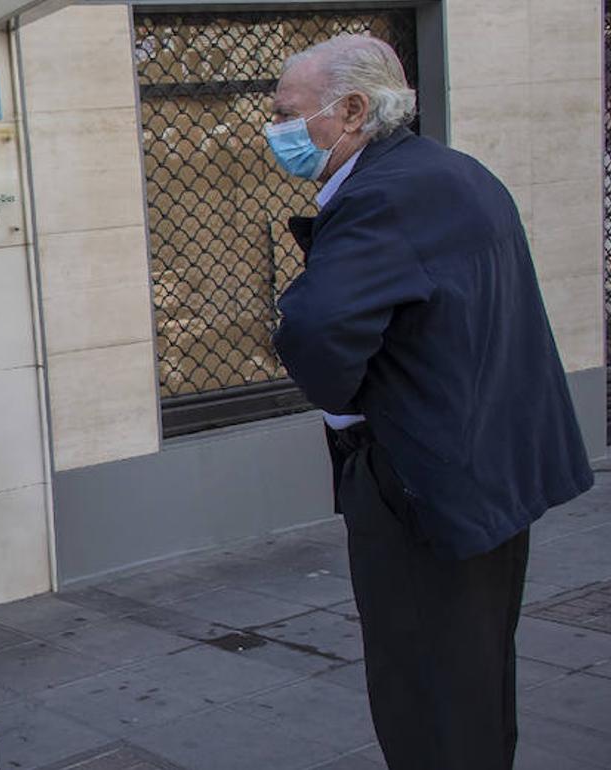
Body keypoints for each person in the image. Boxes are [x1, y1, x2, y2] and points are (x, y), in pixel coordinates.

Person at [268, 35, 592, 769]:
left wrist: (346, 408)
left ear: (351, 109)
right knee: (474, 677)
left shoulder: (381, 195)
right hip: (489, 472)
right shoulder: (454, 172)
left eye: (287, 112)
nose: (276, 129)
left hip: (422, 486)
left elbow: (316, 330)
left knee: (426, 688)